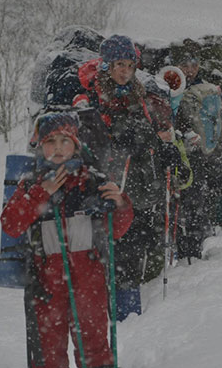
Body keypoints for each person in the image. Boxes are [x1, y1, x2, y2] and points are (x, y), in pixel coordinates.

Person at [0, 111, 134, 368]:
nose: (58, 149)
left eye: (65, 141)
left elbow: (116, 231)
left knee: (93, 342)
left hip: (88, 279)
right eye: (50, 142)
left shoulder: (92, 180)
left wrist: (120, 204)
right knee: (48, 348)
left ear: (76, 144)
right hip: (47, 284)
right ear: (40, 146)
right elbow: (11, 223)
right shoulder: (31, 182)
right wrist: (40, 194)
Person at [76, 34, 180, 319]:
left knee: (136, 253)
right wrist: (118, 142)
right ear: (107, 64)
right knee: (117, 256)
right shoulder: (93, 97)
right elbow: (87, 145)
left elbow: (149, 135)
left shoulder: (139, 94)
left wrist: (163, 150)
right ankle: (117, 317)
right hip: (113, 192)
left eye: (130, 65)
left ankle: (131, 314)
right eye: (119, 64)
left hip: (143, 188)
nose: (125, 71)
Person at [171, 38, 222, 260]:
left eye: (194, 65)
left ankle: (193, 248)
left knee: (195, 202)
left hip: (197, 156)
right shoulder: (168, 87)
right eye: (185, 65)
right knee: (181, 202)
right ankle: (182, 247)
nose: (190, 70)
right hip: (177, 155)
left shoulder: (208, 89)